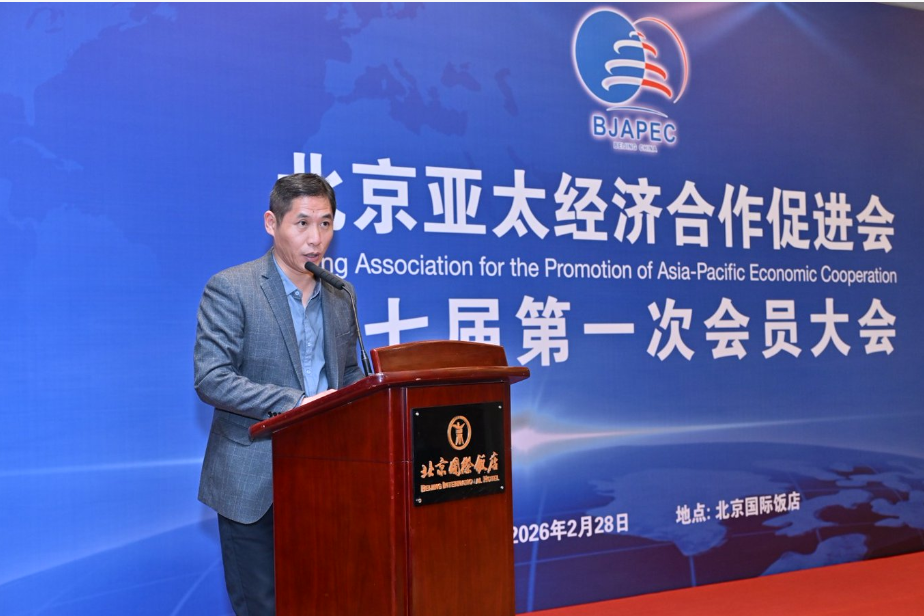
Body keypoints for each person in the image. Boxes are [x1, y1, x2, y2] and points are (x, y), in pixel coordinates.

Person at [194, 173, 364, 615]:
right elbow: (212, 377)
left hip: (327, 476)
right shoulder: (233, 288)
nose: (316, 238)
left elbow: (348, 371)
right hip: (253, 479)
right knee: (264, 608)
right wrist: (296, 404)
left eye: (325, 224)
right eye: (302, 223)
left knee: (325, 600)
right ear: (272, 223)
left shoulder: (340, 294)